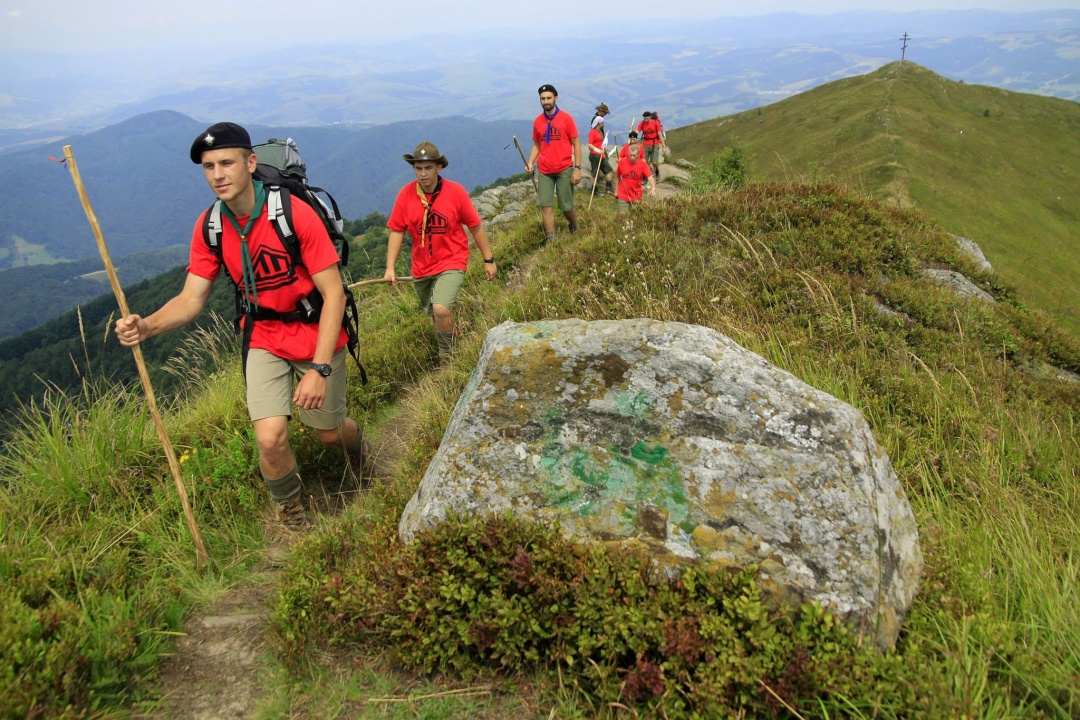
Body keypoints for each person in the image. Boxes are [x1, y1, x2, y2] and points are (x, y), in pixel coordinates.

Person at [115, 122, 370, 535]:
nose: (218, 174)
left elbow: (334, 295)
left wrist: (320, 369)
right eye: (208, 166)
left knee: (329, 433)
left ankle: (359, 451)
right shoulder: (210, 227)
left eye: (227, 163)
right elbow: (190, 300)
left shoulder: (292, 214)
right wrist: (147, 326)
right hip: (263, 335)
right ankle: (293, 517)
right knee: (270, 439)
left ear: (250, 163)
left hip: (314, 330)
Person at [384, 141, 497, 359]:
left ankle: (448, 357)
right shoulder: (406, 195)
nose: (423, 174)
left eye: (428, 167)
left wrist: (488, 259)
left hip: (452, 259)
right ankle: (452, 336)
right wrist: (390, 268)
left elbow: (475, 227)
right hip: (422, 265)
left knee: (441, 309)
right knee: (435, 314)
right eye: (418, 168)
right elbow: (397, 231)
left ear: (439, 167)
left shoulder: (455, 192)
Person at [524, 84, 582, 243]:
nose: (546, 101)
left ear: (555, 98)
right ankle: (551, 238)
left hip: (564, 168)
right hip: (544, 170)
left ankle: (573, 223)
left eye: (549, 98)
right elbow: (537, 144)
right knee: (545, 205)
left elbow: (576, 143)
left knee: (566, 205)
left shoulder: (566, 118)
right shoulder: (537, 121)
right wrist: (530, 163)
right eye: (543, 99)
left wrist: (577, 168)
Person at [614, 142, 655, 214]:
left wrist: (653, 188)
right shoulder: (622, 162)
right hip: (623, 195)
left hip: (636, 196)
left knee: (634, 217)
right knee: (623, 217)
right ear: (628, 154)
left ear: (638, 155)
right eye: (630, 155)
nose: (632, 157)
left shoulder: (643, 164)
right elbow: (617, 177)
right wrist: (616, 191)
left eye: (634, 155)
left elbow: (650, 177)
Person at [586, 115, 614, 196]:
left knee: (609, 170)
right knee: (595, 173)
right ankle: (594, 190)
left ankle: (608, 186)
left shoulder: (600, 132)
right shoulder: (592, 132)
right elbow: (589, 144)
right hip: (595, 155)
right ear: (598, 123)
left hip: (602, 155)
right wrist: (598, 150)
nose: (603, 124)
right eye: (602, 123)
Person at [636, 111, 667, 179]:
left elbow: (659, 135)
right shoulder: (642, 123)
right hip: (646, 144)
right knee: (644, 162)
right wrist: (633, 135)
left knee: (654, 162)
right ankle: (645, 176)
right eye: (644, 118)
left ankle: (657, 172)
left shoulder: (655, 123)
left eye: (647, 118)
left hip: (655, 143)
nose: (646, 120)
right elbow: (637, 131)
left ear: (650, 117)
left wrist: (663, 146)